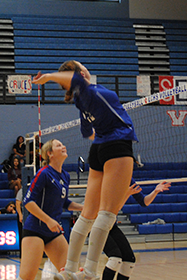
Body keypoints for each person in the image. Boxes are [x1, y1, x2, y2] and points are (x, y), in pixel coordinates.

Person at [32, 60, 137, 280]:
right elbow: (76, 80)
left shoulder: (81, 100)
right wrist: (48, 77)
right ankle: (89, 271)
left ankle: (69, 269)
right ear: (80, 72)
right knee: (106, 214)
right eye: (82, 67)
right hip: (116, 145)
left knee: (88, 215)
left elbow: (87, 131)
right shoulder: (88, 90)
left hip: (98, 149)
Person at [16, 139, 83, 280]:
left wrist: (83, 208)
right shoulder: (44, 173)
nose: (64, 146)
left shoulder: (65, 176)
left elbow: (63, 202)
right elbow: (28, 202)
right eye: (59, 145)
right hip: (35, 230)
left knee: (71, 272)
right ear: (50, 154)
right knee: (27, 277)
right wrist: (48, 220)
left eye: (63, 144)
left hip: (53, 233)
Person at [101, 180, 170, 280]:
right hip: (98, 224)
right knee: (115, 258)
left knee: (129, 260)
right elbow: (112, 210)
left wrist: (155, 191)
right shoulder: (108, 179)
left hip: (111, 225)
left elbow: (144, 202)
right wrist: (127, 194)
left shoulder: (128, 179)